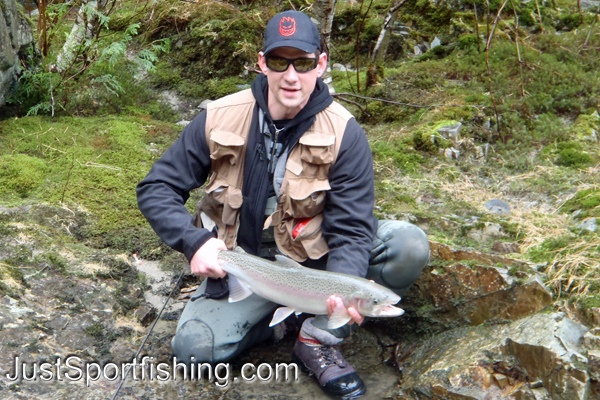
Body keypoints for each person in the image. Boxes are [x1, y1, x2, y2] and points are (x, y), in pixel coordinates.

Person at [136, 10, 429, 399]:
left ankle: (315, 338)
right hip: (244, 263)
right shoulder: (217, 117)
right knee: (194, 351)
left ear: (321, 65)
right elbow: (156, 186)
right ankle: (277, 322)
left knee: (408, 246)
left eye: (304, 63)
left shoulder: (345, 132)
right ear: (262, 63)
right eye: (279, 61)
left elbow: (353, 229)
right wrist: (195, 242)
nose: (291, 76)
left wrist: (340, 292)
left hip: (318, 260)